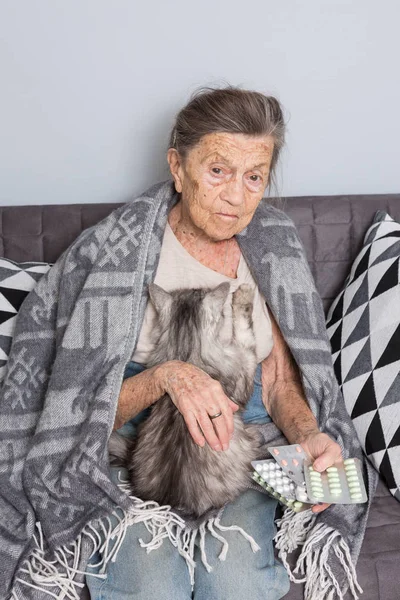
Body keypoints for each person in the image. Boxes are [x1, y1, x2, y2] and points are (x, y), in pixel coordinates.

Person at [86, 86, 343, 600]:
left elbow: (278, 381)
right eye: (218, 170)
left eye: (254, 177)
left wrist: (309, 434)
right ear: (178, 168)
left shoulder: (273, 246)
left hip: (241, 446)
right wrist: (165, 377)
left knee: (237, 581)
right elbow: (78, 410)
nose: (236, 196)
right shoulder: (120, 252)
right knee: (150, 584)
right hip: (137, 446)